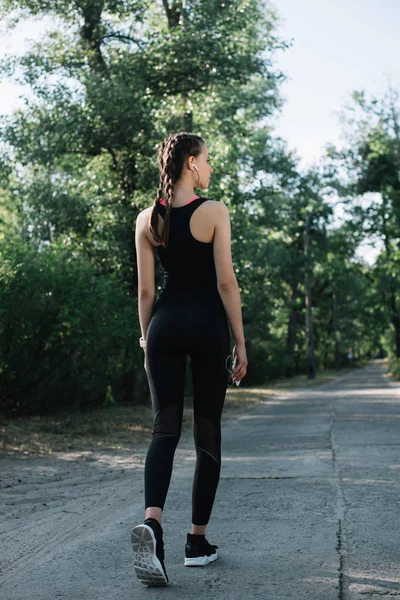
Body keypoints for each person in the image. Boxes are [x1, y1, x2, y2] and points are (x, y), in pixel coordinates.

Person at [131, 132, 247, 586]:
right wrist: (240, 341)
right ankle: (196, 543)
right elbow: (226, 284)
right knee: (207, 432)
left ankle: (153, 525)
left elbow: (144, 292)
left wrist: (146, 341)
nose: (212, 168)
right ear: (192, 164)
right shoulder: (213, 211)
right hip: (206, 327)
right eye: (208, 160)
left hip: (163, 326)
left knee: (165, 430)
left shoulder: (146, 219)